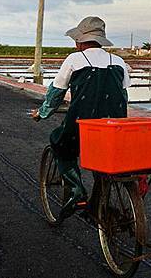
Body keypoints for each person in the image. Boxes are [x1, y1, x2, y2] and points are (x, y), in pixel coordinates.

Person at [32, 16, 131, 218]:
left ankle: (77, 191)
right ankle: (97, 205)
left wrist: (42, 113)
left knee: (59, 142)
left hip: (82, 125)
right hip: (113, 127)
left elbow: (55, 94)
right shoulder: (119, 62)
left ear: (79, 41)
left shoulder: (74, 59)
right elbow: (123, 96)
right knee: (102, 160)